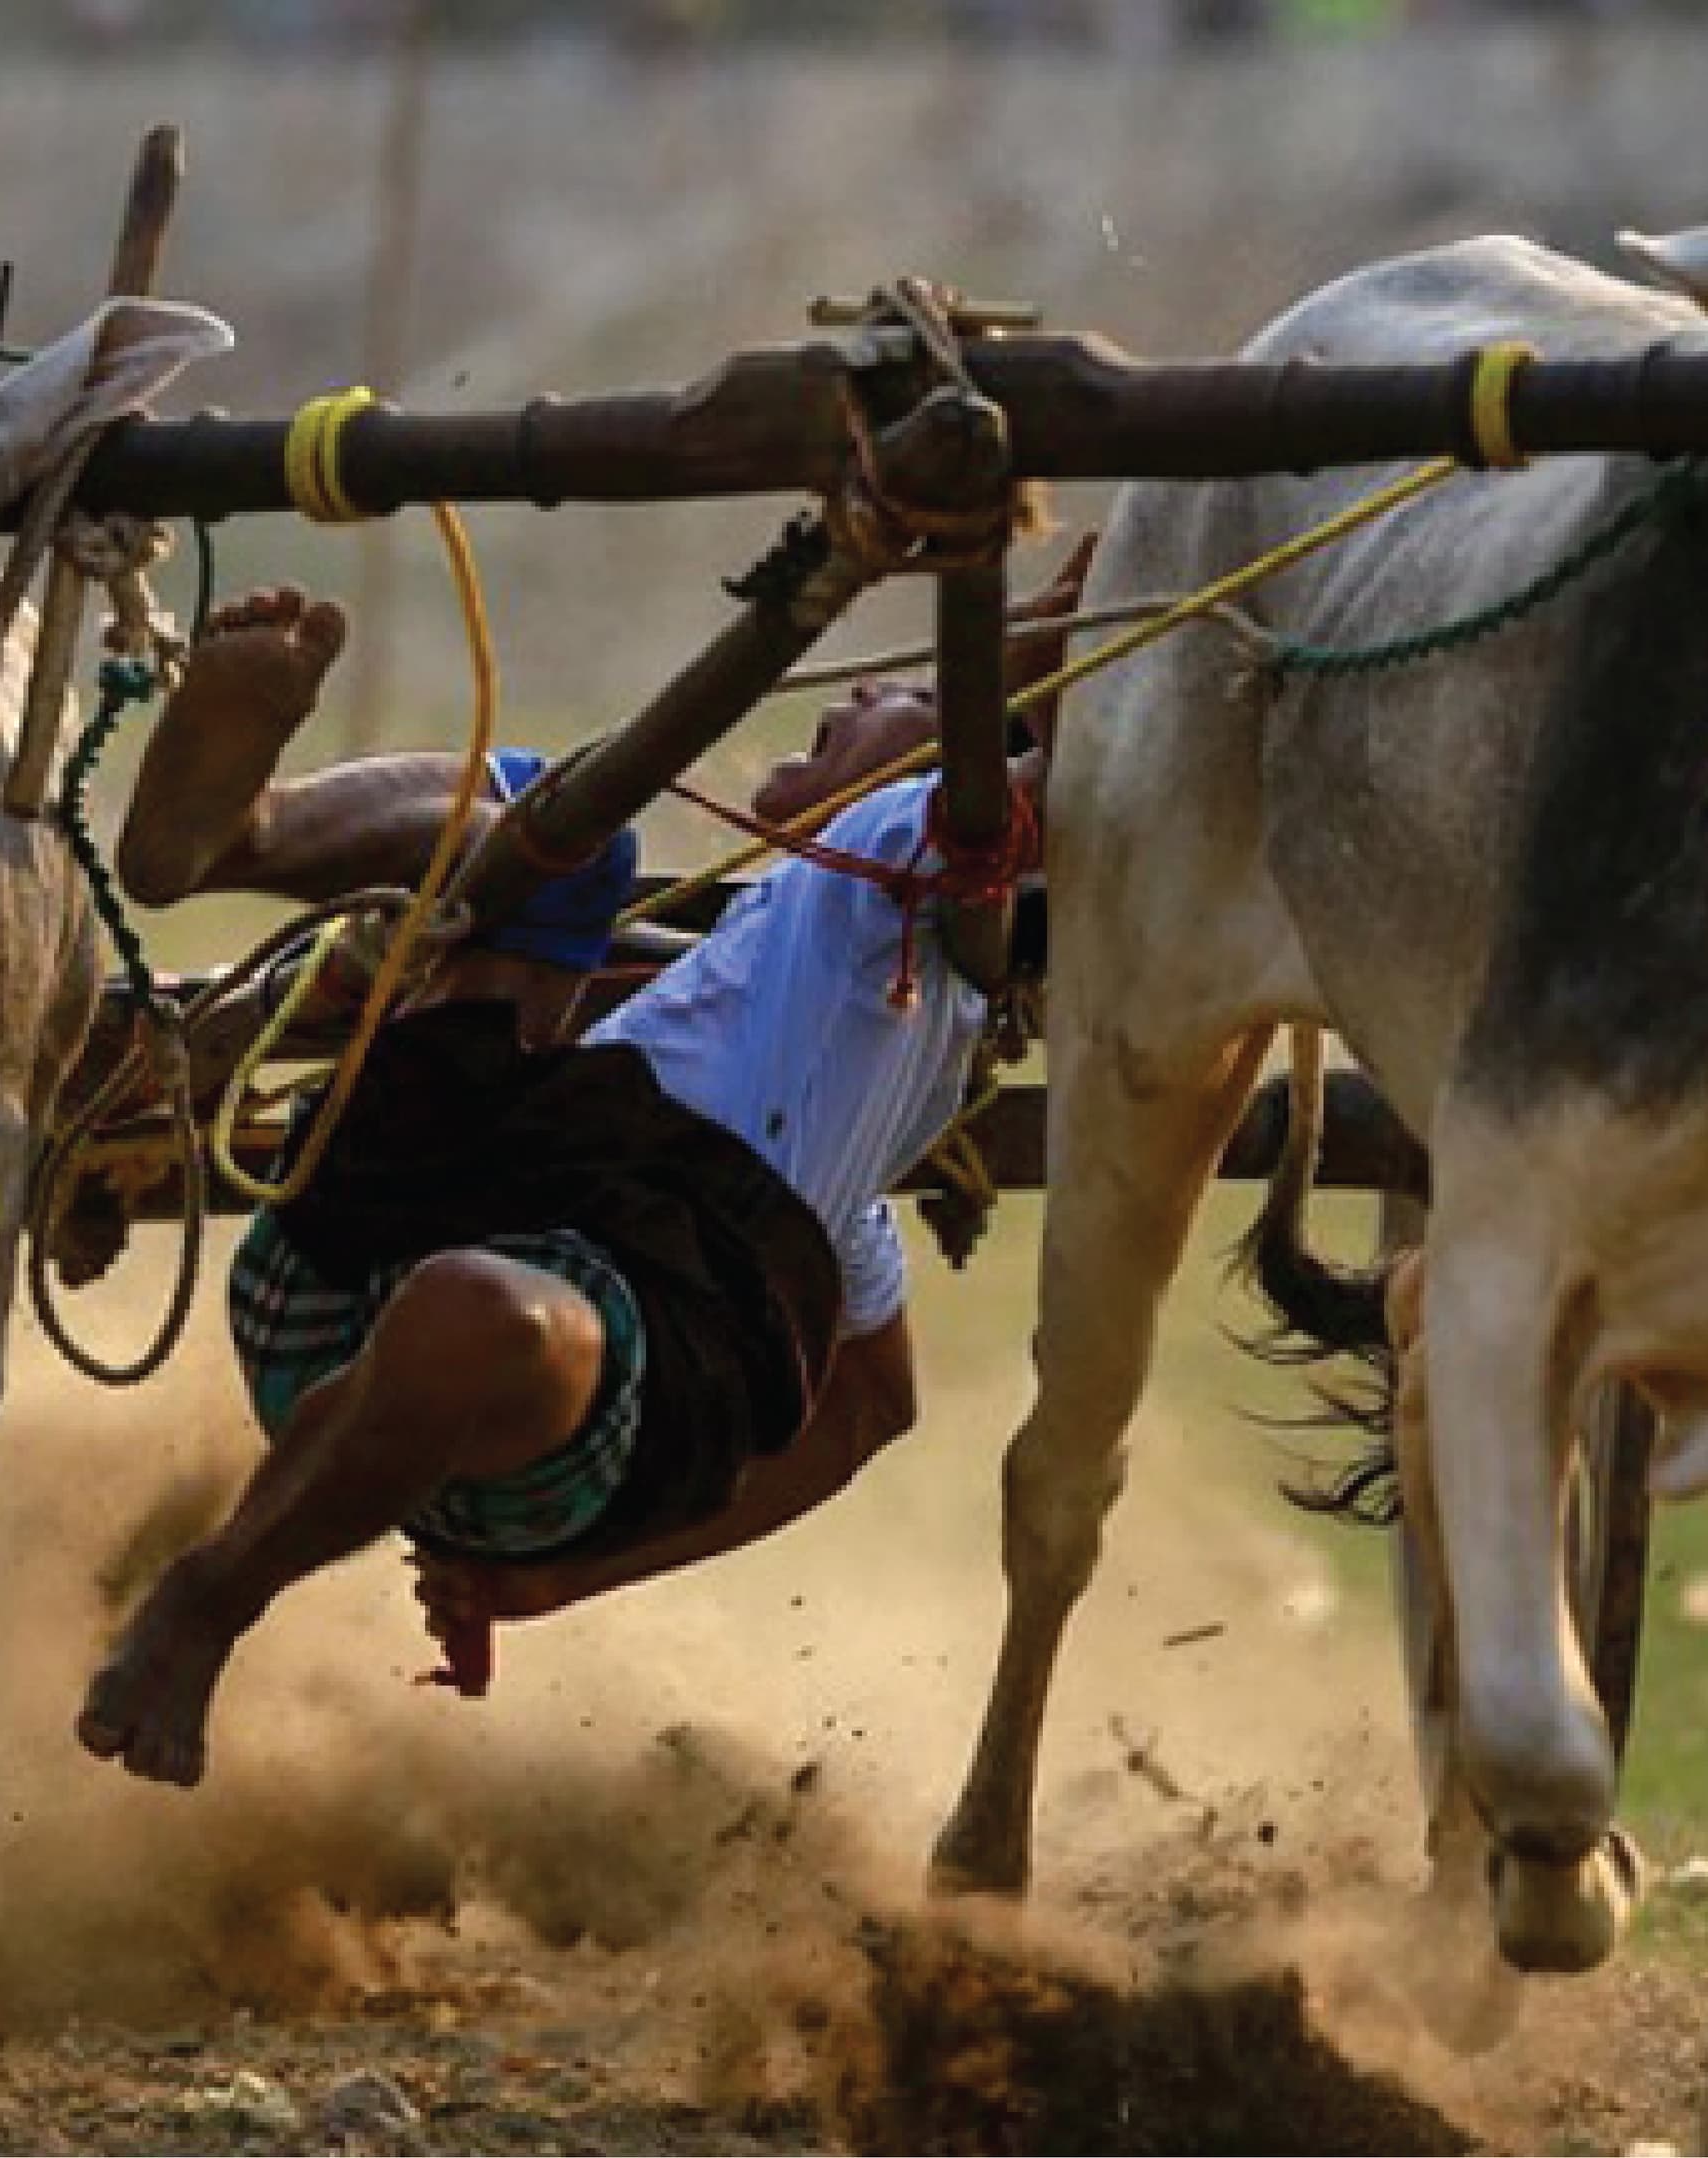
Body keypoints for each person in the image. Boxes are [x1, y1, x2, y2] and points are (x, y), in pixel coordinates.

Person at [76, 542, 1086, 1790]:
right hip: (346, 1276)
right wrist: (550, 1589)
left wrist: (1016, 608)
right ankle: (234, 838)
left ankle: (210, 1595)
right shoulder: (795, 1041)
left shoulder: (902, 885)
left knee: (476, 1303)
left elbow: (1013, 776)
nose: (858, 696)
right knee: (565, 831)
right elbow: (873, 1412)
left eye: (914, 706)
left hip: (519, 1404)